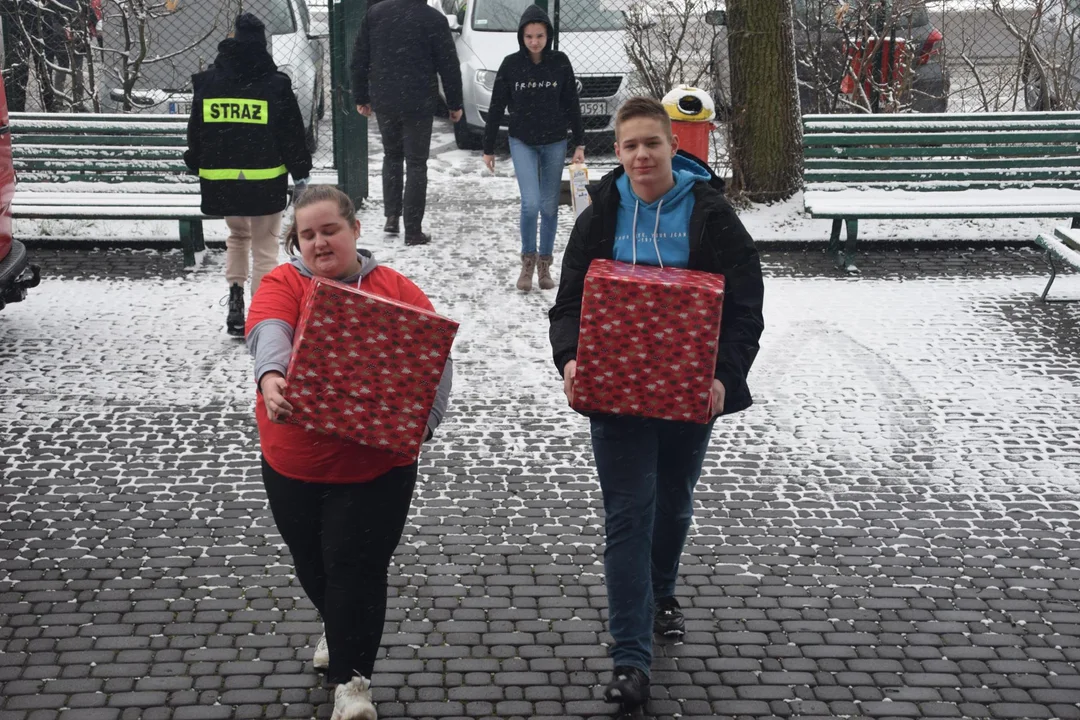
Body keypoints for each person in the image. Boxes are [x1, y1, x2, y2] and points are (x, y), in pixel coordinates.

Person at [548, 96, 765, 712]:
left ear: (675, 146)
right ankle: (631, 661)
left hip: (689, 390)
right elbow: (568, 303)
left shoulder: (710, 214)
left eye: (652, 143)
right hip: (614, 392)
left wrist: (724, 376)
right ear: (616, 153)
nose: (641, 155)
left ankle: (662, 589)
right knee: (628, 514)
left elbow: (745, 303)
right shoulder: (601, 214)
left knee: (671, 503)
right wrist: (570, 359)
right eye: (629, 145)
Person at [246, 185, 453, 720]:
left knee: (355, 567)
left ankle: (352, 683)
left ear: (354, 229)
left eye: (328, 230)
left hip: (377, 467)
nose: (318, 242)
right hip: (295, 461)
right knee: (313, 564)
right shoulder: (283, 282)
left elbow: (436, 355)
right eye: (307, 234)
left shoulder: (395, 288)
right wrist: (271, 377)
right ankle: (339, 629)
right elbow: (269, 329)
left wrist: (424, 423)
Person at [184, 13, 312, 336]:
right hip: (264, 182)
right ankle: (262, 312)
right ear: (263, 43)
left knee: (237, 238)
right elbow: (292, 135)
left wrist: (196, 161)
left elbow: (196, 132)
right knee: (266, 246)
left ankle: (236, 302)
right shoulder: (276, 85)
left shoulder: (209, 82)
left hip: (224, 184)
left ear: (233, 39)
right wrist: (301, 175)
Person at [481, 5, 585, 293]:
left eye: (539, 35)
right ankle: (527, 261)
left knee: (550, 206)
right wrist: (488, 147)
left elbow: (571, 104)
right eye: (529, 36)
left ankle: (545, 265)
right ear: (521, 37)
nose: (535, 41)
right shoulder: (511, 65)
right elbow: (496, 106)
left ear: (547, 35)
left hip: (555, 141)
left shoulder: (560, 62)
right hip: (522, 141)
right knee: (531, 203)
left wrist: (580, 142)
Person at [350, 0, 463, 247]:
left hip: (385, 98)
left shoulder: (376, 13)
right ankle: (413, 229)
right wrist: (455, 103)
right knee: (416, 163)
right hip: (419, 101)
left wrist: (361, 96)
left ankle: (392, 217)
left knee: (392, 155)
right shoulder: (433, 19)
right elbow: (448, 64)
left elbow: (359, 57)